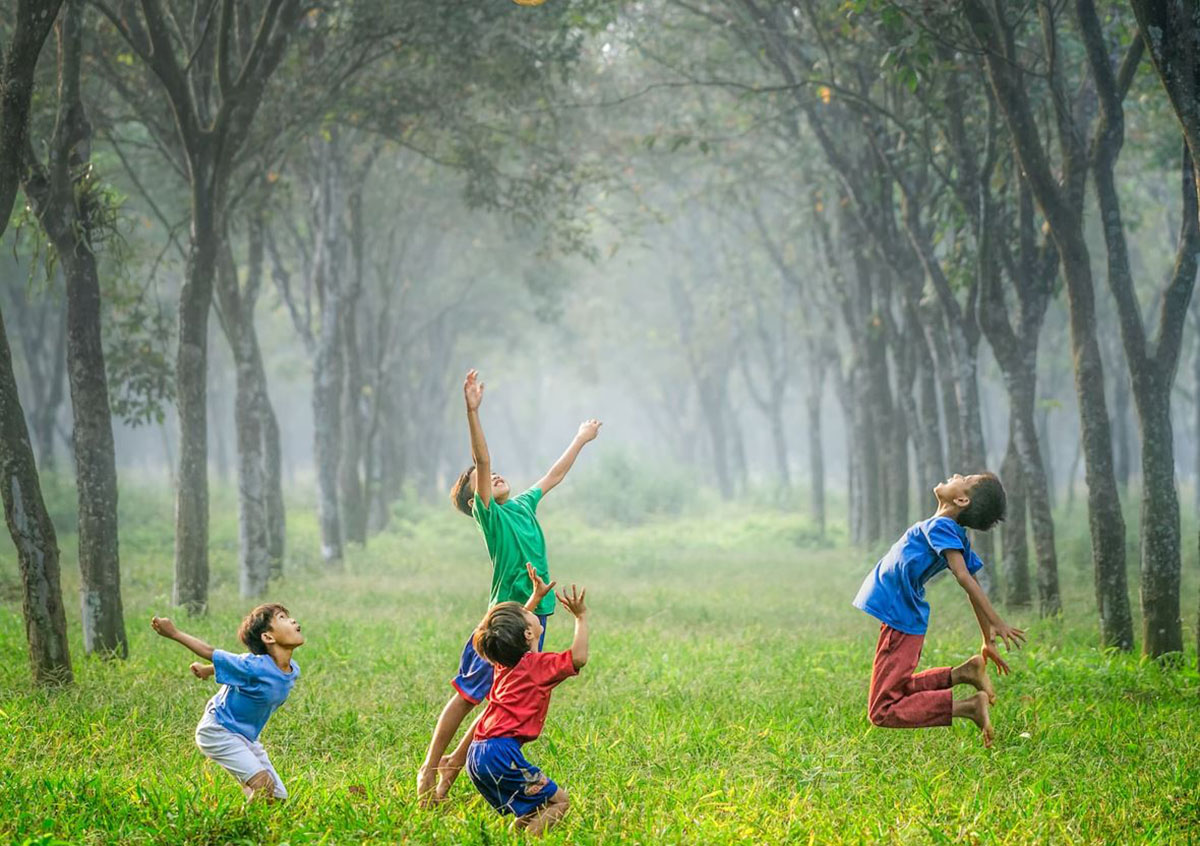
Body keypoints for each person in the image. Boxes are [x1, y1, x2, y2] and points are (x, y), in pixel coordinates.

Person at [417, 368, 600, 805]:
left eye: (496, 474)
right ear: (474, 498)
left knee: (502, 699)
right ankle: (430, 768)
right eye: (481, 480)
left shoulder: (523, 505)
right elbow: (482, 460)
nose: (494, 475)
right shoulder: (491, 517)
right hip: (502, 621)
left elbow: (553, 475)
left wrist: (580, 439)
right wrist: (472, 411)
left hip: (535, 617)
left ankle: (451, 771)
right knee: (468, 695)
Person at [852, 473, 1026, 747]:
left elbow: (965, 578)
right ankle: (964, 673)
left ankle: (969, 707)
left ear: (962, 500)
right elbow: (972, 583)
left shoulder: (942, 527)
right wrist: (987, 639)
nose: (956, 475)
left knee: (882, 710)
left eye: (965, 478)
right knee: (897, 689)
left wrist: (996, 622)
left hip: (900, 617)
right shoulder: (950, 531)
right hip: (901, 616)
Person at [467, 578, 588, 835]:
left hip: (477, 753)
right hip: (500, 755)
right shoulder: (537, 667)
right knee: (559, 802)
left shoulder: (504, 663)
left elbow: (512, 631)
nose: (528, 610)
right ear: (528, 634)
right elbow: (578, 658)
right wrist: (580, 617)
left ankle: (515, 837)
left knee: (534, 807)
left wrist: (535, 598)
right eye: (526, 613)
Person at [150, 604, 303, 800]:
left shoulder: (292, 670)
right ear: (268, 637)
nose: (292, 620)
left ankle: (251, 797)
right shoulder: (253, 666)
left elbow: (237, 668)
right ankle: (239, 816)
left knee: (278, 797)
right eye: (282, 618)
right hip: (219, 730)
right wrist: (174, 633)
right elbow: (210, 652)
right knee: (264, 787)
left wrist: (207, 670)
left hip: (246, 737)